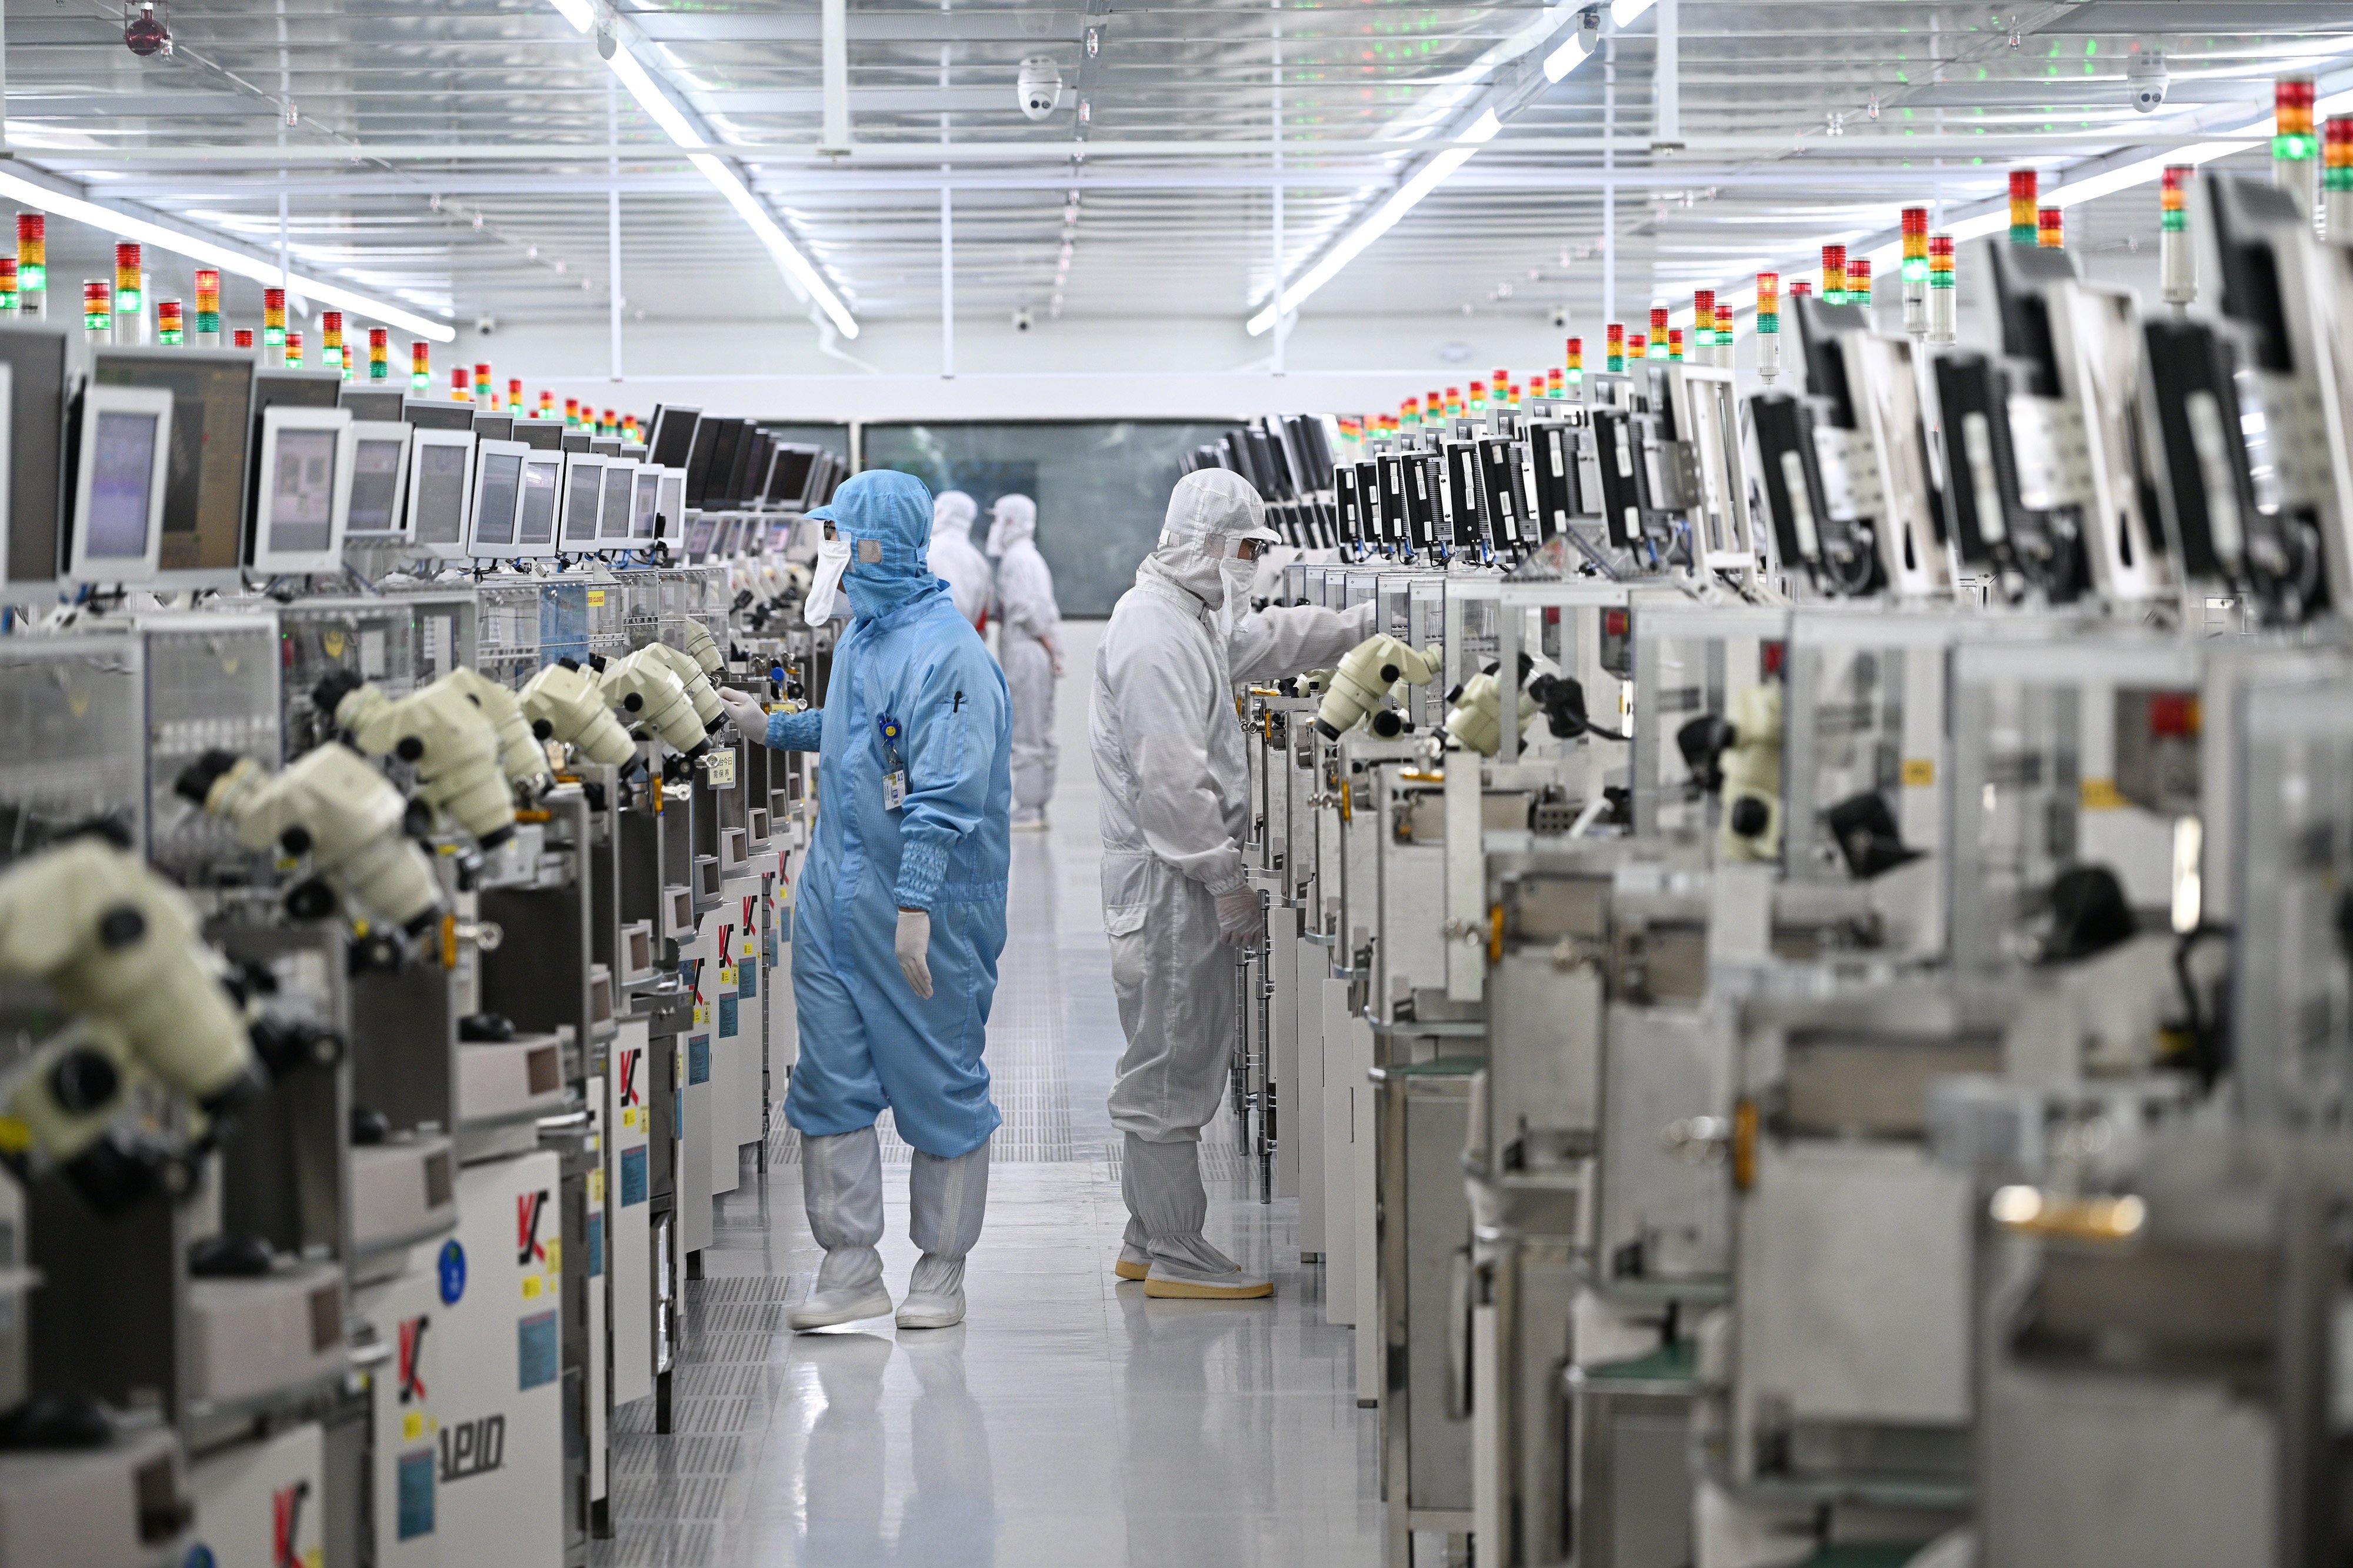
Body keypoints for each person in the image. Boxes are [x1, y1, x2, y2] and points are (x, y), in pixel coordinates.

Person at [714, 469, 1012, 1332]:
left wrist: (916, 904)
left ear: (873, 547)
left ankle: (942, 1267)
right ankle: (849, 1265)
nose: (828, 555)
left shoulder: (946, 653)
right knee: (830, 1082)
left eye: (839, 538)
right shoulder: (866, 635)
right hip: (838, 904)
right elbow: (853, 729)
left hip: (928, 908)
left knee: (939, 1081)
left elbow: (947, 793)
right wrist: (771, 725)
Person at [1090, 469, 1375, 1299]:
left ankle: (1147, 1235)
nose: (1254, 564)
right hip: (1172, 876)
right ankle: (1177, 1253)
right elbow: (1171, 783)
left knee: (1178, 1049)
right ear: (1209, 544)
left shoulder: (1183, 616)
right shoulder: (1154, 635)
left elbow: (1270, 643)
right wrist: (1222, 879)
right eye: (1247, 548)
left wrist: (1371, 624)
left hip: (1173, 872)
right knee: (1174, 1060)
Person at [986, 495, 1062, 830]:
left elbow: (1027, 611)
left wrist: (1047, 645)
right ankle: (1036, 804)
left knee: (1027, 732)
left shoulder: (1018, 559)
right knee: (1039, 729)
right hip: (1035, 651)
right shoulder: (1030, 557)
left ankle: (1030, 808)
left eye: (999, 519)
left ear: (1012, 521)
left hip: (1026, 649)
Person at [929, 490, 996, 635]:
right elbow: (981, 620)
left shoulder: (927, 551)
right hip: (965, 643)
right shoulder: (980, 562)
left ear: (941, 512)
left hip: (927, 644)